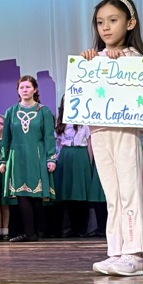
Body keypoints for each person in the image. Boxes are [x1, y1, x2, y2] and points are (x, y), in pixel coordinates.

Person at [78, 0, 143, 277]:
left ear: (130, 23)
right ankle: (117, 250)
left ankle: (135, 252)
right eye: (100, 22)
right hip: (100, 132)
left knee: (129, 190)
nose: (105, 28)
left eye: (113, 20)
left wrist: (120, 63)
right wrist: (89, 63)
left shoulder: (134, 58)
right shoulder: (93, 59)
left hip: (124, 132)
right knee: (112, 194)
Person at [0, 75, 56, 242]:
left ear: (35, 89)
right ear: (18, 91)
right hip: (17, 157)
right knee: (22, 196)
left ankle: (38, 231)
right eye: (21, 87)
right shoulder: (11, 111)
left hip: (36, 155)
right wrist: (3, 160)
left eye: (28, 87)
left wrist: (51, 158)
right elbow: (5, 139)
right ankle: (29, 233)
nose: (24, 90)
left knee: (36, 197)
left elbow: (49, 137)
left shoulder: (43, 111)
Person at [54, 97, 94, 238]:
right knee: (67, 193)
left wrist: (89, 162)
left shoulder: (85, 118)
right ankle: (71, 227)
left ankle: (82, 228)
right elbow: (57, 143)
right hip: (65, 155)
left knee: (80, 193)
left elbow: (89, 143)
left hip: (80, 154)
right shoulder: (60, 120)